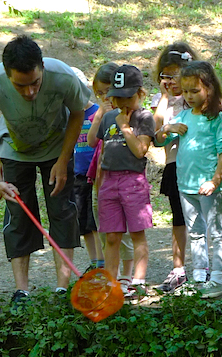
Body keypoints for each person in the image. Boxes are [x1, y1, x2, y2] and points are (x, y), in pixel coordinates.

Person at [0, 35, 92, 309]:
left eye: (35, 83)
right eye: (20, 86)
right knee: (19, 216)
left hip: (56, 148)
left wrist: (64, 160)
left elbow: (78, 114)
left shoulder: (63, 76)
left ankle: (62, 289)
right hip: (14, 151)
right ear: (7, 75)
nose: (30, 92)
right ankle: (21, 292)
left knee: (62, 211)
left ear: (42, 67)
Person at [160, 61, 222, 298]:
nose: (189, 96)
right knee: (196, 231)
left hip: (208, 186)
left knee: (216, 230)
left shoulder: (217, 120)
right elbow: (159, 140)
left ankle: (219, 278)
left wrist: (215, 180)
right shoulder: (184, 116)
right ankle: (200, 276)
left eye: (194, 91)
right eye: (186, 91)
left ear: (209, 89)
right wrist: (169, 127)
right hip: (185, 185)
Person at [87, 64, 155, 298]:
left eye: (129, 97)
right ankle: (111, 283)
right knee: (112, 236)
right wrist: (101, 116)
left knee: (137, 234)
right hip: (109, 181)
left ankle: (138, 281)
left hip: (133, 181)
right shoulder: (108, 117)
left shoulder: (144, 117)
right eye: (118, 97)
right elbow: (92, 143)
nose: (123, 103)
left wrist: (125, 127)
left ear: (140, 94)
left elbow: (140, 150)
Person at [151, 43, 198, 293]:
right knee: (178, 219)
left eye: (175, 74)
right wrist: (165, 99)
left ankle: (204, 266)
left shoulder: (198, 95)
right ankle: (178, 268)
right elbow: (156, 136)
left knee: (202, 217)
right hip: (174, 165)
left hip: (199, 165)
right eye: (165, 75)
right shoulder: (161, 100)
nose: (170, 80)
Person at [85, 63, 136, 282]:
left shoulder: (128, 116)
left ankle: (127, 273)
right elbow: (90, 141)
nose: (106, 98)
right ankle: (110, 273)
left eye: (109, 92)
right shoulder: (103, 115)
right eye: (100, 93)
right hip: (101, 180)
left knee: (122, 231)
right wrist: (100, 115)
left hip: (122, 179)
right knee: (106, 229)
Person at [70, 67, 104, 272]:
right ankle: (94, 261)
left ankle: (103, 258)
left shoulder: (97, 113)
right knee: (84, 221)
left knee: (98, 219)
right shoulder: (67, 116)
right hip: (77, 174)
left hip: (97, 174)